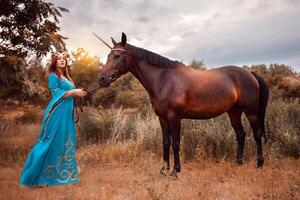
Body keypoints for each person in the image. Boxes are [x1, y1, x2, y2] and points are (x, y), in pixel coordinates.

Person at [20, 52, 87, 187]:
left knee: (64, 140)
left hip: (66, 114)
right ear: (54, 63)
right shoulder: (52, 76)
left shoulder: (66, 77)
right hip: (56, 113)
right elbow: (56, 94)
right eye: (59, 59)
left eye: (64, 59)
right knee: (49, 141)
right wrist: (74, 92)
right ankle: (33, 176)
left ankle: (61, 173)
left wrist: (75, 100)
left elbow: (69, 97)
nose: (62, 61)